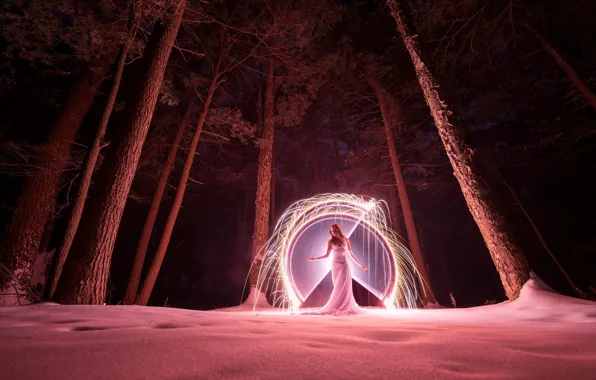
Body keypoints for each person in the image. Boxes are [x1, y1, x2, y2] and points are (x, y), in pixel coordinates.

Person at [305, 223, 368, 315]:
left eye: (334, 230)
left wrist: (360, 264)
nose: (333, 232)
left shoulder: (346, 240)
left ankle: (345, 305)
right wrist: (315, 258)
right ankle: (337, 305)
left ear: (338, 230)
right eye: (331, 231)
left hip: (345, 265)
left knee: (345, 286)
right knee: (337, 286)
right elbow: (327, 256)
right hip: (335, 266)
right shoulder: (330, 242)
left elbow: (350, 253)